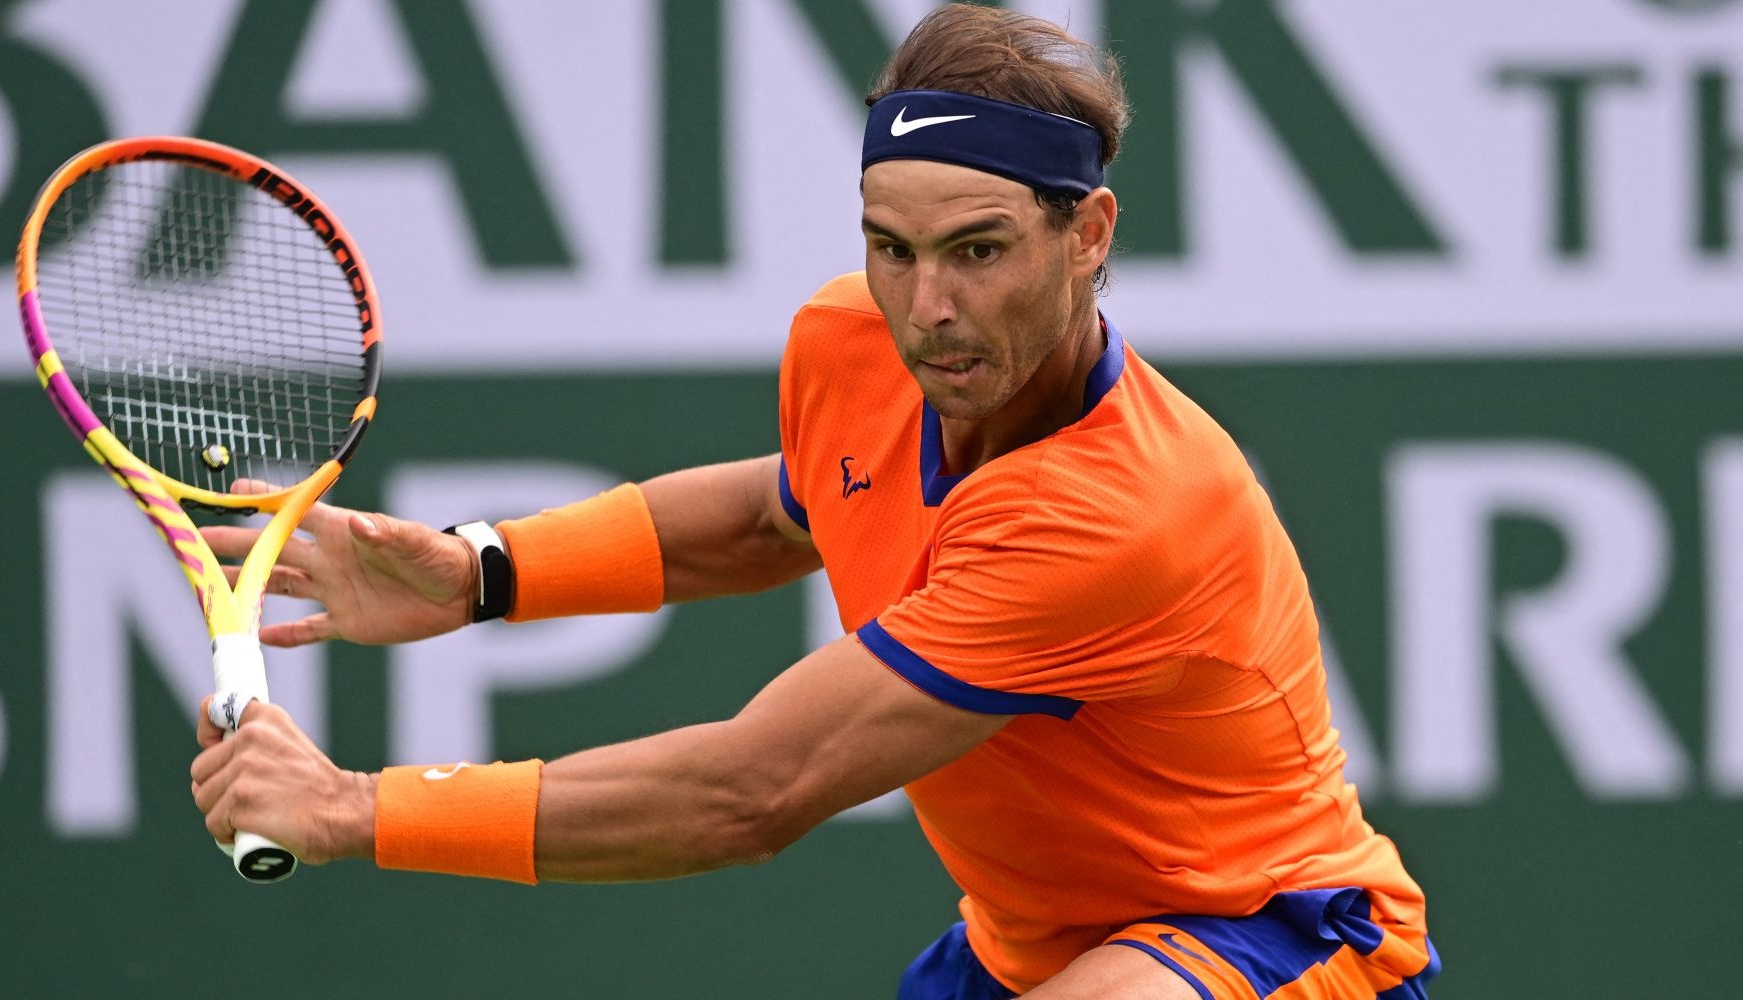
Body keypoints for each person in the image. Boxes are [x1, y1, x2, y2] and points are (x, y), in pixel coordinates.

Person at [188, 5, 1438, 997]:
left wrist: (356, 808)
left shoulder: (1121, 510)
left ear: (1091, 233)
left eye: (979, 249)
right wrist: (485, 573)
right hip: (1026, 943)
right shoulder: (852, 342)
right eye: (890, 248)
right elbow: (785, 513)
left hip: (1272, 932)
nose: (928, 307)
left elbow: (749, 794)